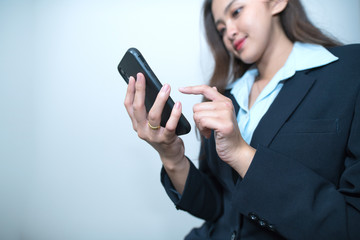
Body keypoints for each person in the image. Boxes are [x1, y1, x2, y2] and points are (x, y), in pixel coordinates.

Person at [124, 0, 360, 239]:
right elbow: (216, 207)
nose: (229, 33)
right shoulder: (224, 97)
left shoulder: (351, 69)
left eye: (236, 11)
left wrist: (241, 153)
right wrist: (171, 156)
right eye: (221, 29)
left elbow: (352, 224)